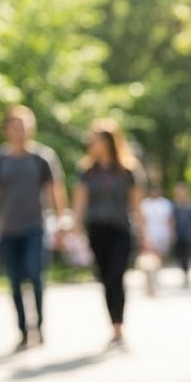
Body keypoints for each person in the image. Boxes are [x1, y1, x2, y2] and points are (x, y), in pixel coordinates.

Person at [0, 105, 67, 350]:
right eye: (16, 126)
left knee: (35, 274)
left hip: (35, 227)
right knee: (15, 280)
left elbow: (55, 190)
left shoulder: (42, 158)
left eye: (25, 126)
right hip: (7, 229)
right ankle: (23, 330)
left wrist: (61, 222)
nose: (21, 131)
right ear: (6, 129)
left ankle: (39, 325)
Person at [72, 119, 144, 348]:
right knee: (105, 278)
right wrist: (75, 227)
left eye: (97, 139)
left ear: (109, 142)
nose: (92, 143)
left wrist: (145, 235)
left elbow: (136, 205)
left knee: (116, 275)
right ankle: (112, 323)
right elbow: (80, 202)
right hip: (97, 231)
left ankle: (119, 326)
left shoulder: (128, 170)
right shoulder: (87, 171)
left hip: (120, 230)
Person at [139, 182, 174, 295]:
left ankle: (156, 278)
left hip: (163, 234)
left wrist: (171, 233)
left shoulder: (166, 203)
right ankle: (149, 283)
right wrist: (143, 235)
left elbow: (170, 220)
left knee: (160, 258)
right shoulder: (145, 204)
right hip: (149, 234)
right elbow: (142, 220)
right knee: (149, 259)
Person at [171, 181, 191, 287]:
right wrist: (172, 233)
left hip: (188, 232)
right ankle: (183, 271)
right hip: (178, 233)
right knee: (180, 255)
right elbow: (172, 220)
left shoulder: (190, 205)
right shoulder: (174, 205)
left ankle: (186, 273)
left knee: (187, 254)